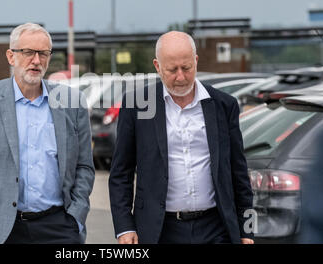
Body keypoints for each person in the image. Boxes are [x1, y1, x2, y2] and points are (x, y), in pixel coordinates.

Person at [0, 22, 95, 244]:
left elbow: (84, 166)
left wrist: (77, 217)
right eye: (28, 52)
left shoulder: (72, 102)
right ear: (11, 56)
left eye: (43, 53)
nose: (36, 60)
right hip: (0, 229)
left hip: (58, 227)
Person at [109, 31, 254, 244]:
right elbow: (121, 173)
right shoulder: (136, 105)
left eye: (186, 68)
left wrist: (247, 230)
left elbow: (239, 172)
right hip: (159, 231)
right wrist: (124, 228)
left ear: (195, 61)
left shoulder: (224, 105)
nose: (181, 76)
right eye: (172, 70)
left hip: (217, 228)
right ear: (157, 66)